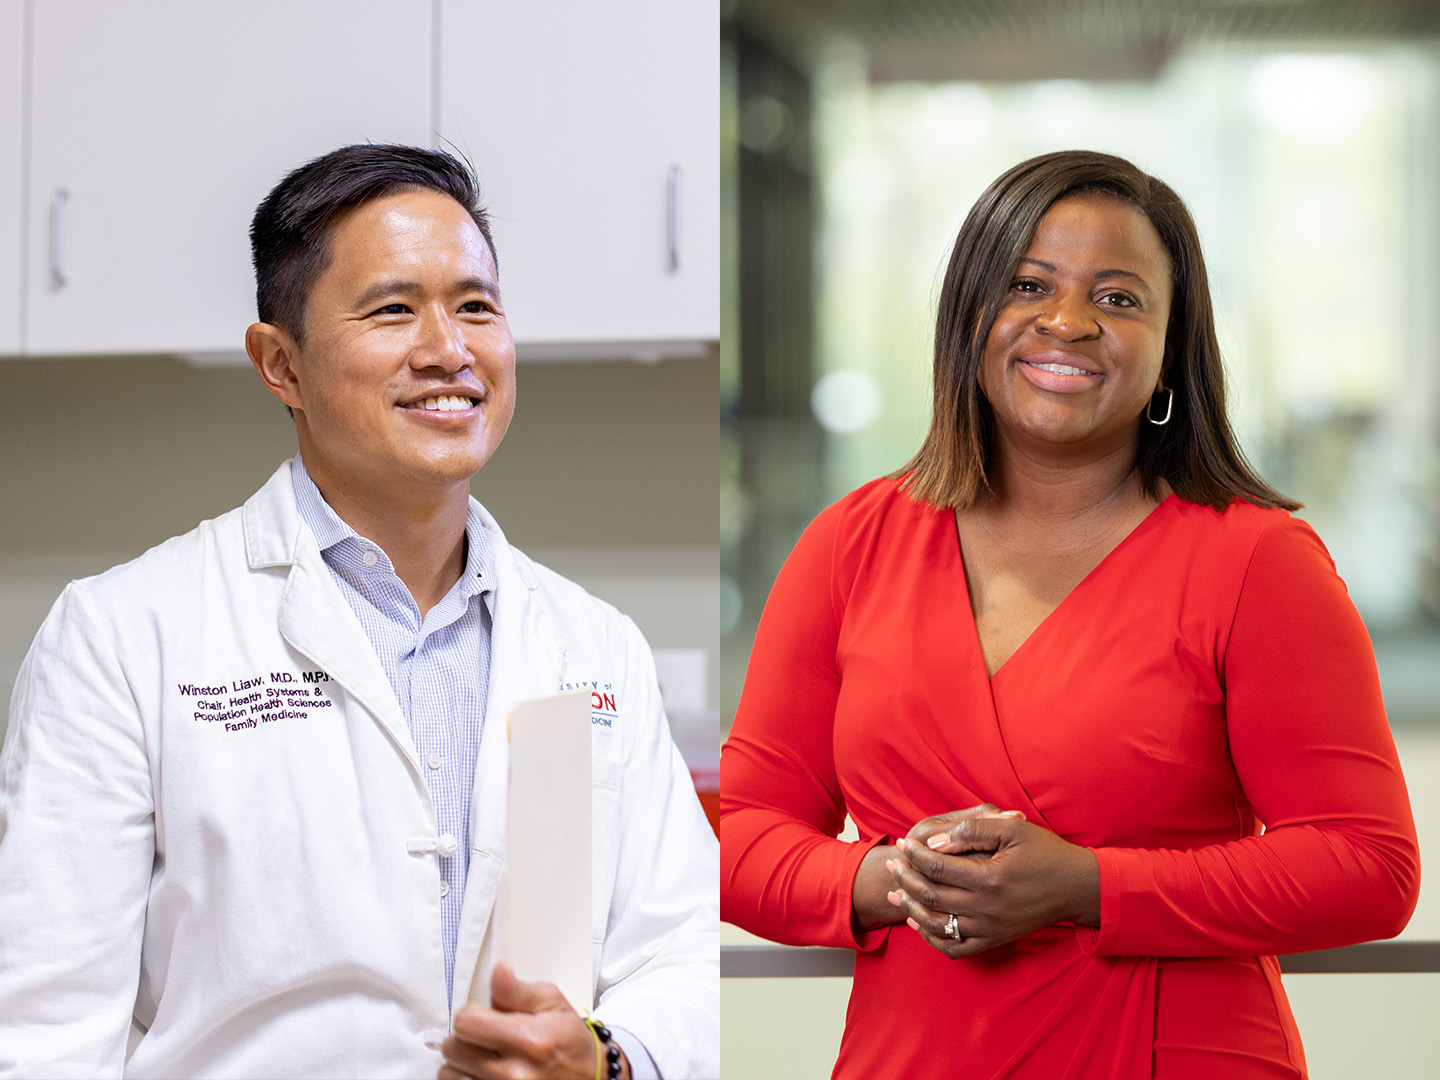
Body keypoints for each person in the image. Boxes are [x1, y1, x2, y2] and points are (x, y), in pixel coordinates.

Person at [0, 145, 719, 1080]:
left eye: (475, 306)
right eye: (392, 309)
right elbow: (45, 1031)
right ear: (281, 364)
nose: (449, 350)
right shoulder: (122, 635)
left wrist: (608, 1057)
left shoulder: (593, 644)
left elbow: (683, 951)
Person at [720, 149, 1419, 1079]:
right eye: (1027, 284)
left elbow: (1370, 867)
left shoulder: (1257, 562)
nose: (1068, 322)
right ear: (970, 314)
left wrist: (1089, 886)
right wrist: (887, 881)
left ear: (1173, 346)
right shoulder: (851, 543)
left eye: (1120, 298)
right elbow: (740, 837)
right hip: (912, 1059)